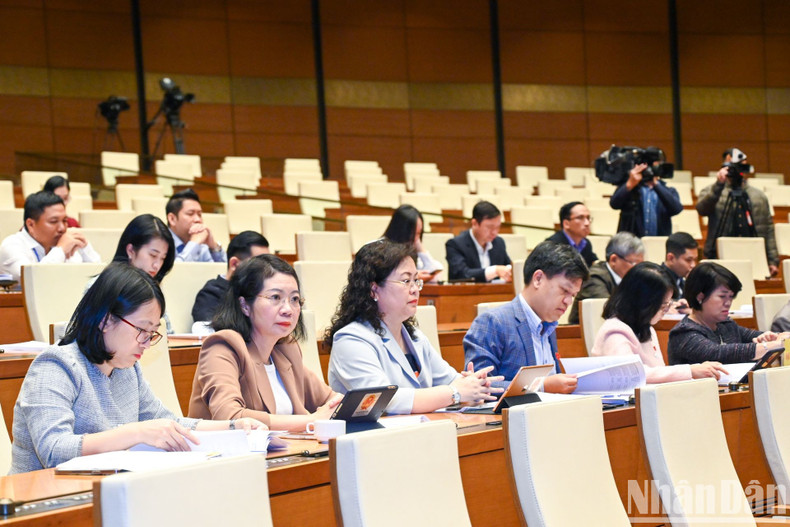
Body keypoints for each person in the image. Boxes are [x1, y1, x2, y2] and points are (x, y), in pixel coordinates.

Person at [10, 263, 264, 473]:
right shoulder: (56, 366)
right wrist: (137, 432)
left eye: (152, 333)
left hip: (104, 493)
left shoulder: (127, 369)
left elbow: (169, 423)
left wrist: (234, 427)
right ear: (106, 320)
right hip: (41, 505)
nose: (146, 342)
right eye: (142, 330)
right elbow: (53, 451)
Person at [326, 239, 502, 414]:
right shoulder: (351, 340)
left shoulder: (414, 336)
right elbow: (385, 400)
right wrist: (455, 393)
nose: (415, 289)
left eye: (416, 280)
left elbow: (449, 380)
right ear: (374, 290)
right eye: (405, 281)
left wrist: (474, 385)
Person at [188, 254, 341, 431]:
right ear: (245, 305)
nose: (288, 309)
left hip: (284, 453)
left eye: (295, 299)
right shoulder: (222, 347)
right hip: (228, 456)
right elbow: (231, 418)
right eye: (275, 297)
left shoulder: (286, 349)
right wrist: (312, 421)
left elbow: (330, 400)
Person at [463, 241, 589, 393]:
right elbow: (478, 386)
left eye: (573, 295)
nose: (568, 302)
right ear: (538, 279)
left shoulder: (548, 324)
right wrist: (541, 386)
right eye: (564, 291)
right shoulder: (493, 322)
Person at [591, 262, 727, 383]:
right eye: (663, 305)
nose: (666, 310)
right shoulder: (615, 332)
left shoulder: (646, 327)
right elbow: (633, 375)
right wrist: (689, 371)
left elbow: (657, 372)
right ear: (643, 302)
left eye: (669, 304)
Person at [668, 261, 788, 365]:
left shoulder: (726, 324)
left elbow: (755, 335)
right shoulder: (683, 333)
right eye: (722, 296)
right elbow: (718, 353)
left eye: (731, 297)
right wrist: (771, 346)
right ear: (700, 296)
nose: (728, 302)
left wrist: (774, 337)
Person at [696, 148, 778, 276]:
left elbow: (768, 228)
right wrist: (718, 185)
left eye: (741, 165)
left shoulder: (759, 196)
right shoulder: (712, 190)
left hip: (753, 255)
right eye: (732, 165)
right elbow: (702, 209)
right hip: (720, 256)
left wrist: (772, 260)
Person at [0, 191, 100, 281]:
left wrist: (85, 249)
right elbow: (33, 282)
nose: (62, 228)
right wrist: (61, 250)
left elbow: (100, 279)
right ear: (31, 225)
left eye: (65, 221)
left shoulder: (67, 242)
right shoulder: (12, 245)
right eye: (53, 221)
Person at [191, 230, 270, 326]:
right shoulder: (211, 294)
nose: (266, 270)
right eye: (258, 264)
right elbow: (210, 332)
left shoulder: (263, 293)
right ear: (234, 264)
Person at [567, 231, 644, 324]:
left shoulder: (630, 279)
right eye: (634, 263)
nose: (639, 269)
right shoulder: (594, 278)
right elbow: (611, 311)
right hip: (579, 335)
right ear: (614, 260)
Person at [609, 161, 683, 237]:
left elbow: (677, 209)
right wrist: (630, 183)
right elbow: (614, 204)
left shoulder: (668, 190)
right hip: (631, 243)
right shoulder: (631, 188)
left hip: (658, 242)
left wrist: (656, 185)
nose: (650, 171)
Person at [445, 200, 512, 283]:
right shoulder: (455, 244)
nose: (494, 232)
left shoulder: (499, 243)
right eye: (489, 227)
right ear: (475, 223)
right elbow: (462, 274)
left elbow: (508, 266)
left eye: (497, 227)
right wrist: (494, 270)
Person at [382, 204, 443, 282]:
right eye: (412, 234)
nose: (415, 239)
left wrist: (421, 249)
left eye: (418, 233)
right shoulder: (377, 249)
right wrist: (413, 277)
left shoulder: (414, 252)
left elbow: (437, 277)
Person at [166, 189, 226, 263]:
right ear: (172, 219)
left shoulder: (202, 244)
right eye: (190, 214)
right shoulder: (161, 242)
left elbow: (226, 273)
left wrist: (214, 247)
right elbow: (175, 272)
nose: (198, 220)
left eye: (199, 214)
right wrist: (194, 244)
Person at [546, 201, 598, 267]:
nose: (587, 223)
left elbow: (594, 262)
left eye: (588, 218)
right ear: (566, 224)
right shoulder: (553, 245)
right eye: (580, 218)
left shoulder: (586, 243)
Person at [660, 232, 698, 314]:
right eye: (688, 260)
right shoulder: (657, 281)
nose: (693, 265)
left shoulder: (684, 281)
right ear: (671, 258)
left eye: (695, 260)